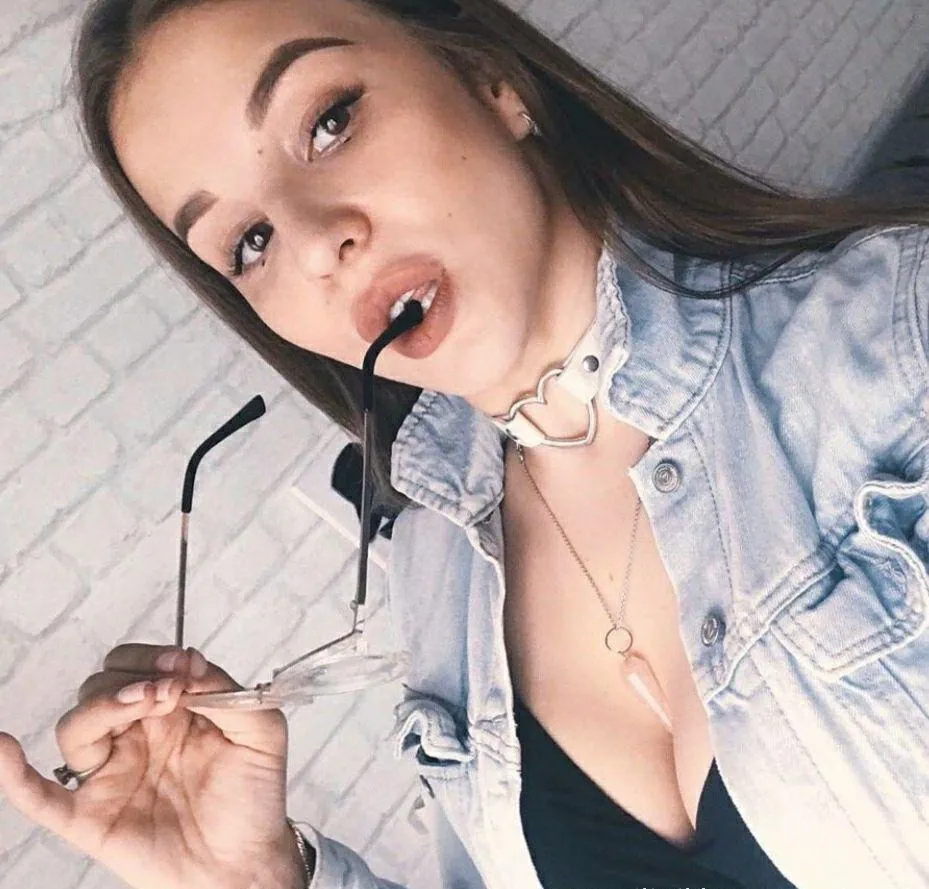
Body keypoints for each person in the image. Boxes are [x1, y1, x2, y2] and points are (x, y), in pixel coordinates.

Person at [1, 0, 928, 887]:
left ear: (491, 81)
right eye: (248, 240)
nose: (317, 245)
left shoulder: (898, 340)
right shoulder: (435, 568)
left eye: (328, 123)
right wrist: (260, 876)